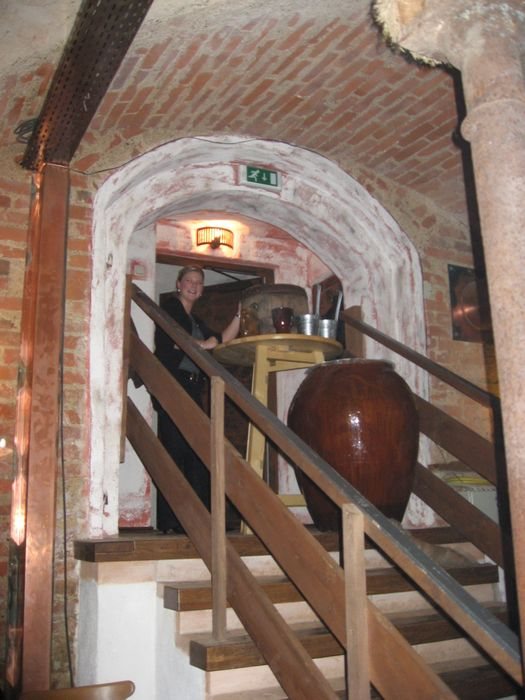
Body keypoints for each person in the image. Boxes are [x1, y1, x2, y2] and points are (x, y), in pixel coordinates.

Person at [154, 265, 240, 533]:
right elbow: (177, 340)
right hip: (173, 385)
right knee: (174, 451)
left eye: (199, 282)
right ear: (179, 284)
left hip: (192, 388)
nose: (193, 285)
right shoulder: (170, 308)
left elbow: (221, 339)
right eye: (189, 281)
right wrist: (204, 345)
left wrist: (240, 314)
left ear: (202, 290)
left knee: (195, 452)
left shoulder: (196, 321)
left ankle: (197, 520)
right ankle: (171, 522)